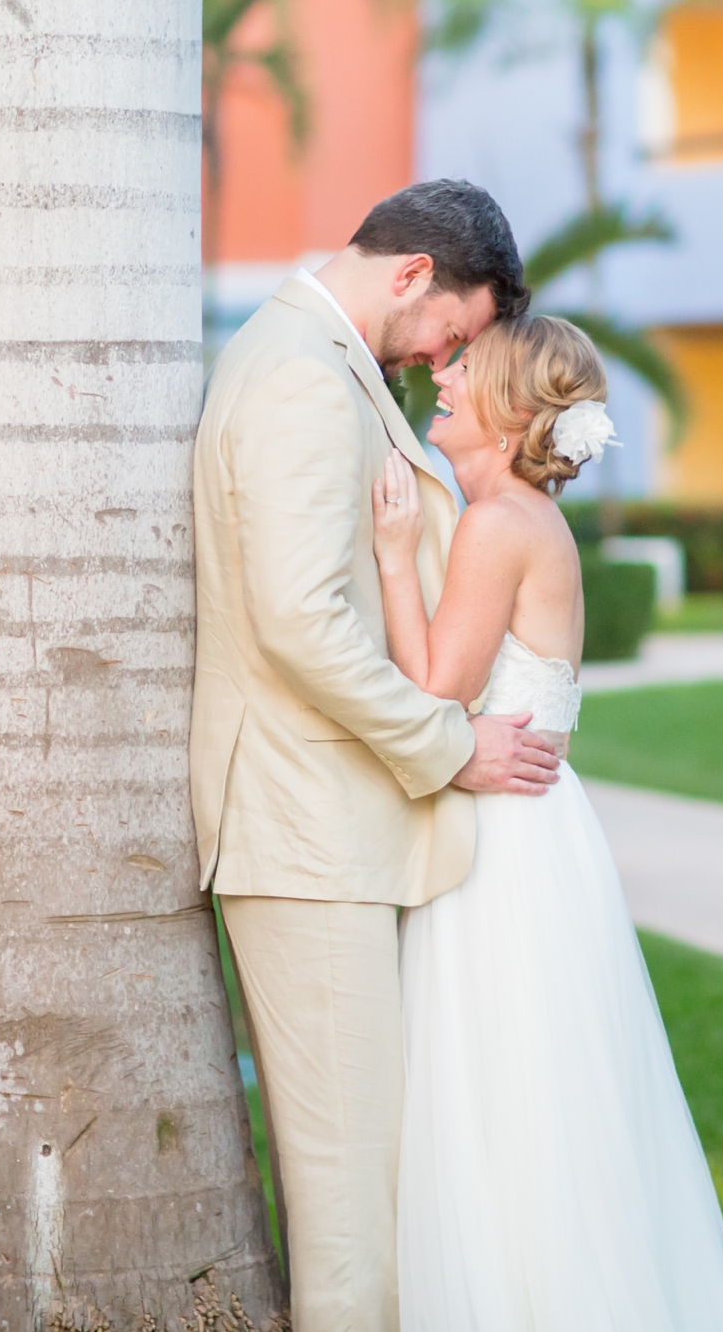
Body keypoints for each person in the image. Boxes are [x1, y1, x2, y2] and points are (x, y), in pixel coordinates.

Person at [190, 179, 563, 1332]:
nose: (442, 360)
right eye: (449, 334)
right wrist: (446, 745)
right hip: (304, 833)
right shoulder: (303, 376)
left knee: (368, 1180)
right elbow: (302, 621)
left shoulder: (312, 355)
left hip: (328, 826)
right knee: (352, 1204)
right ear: (411, 277)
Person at [371, 315, 723, 1330]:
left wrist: (390, 554)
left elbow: (431, 687)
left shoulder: (498, 524)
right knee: (535, 1091)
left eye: (467, 371)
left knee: (504, 1089)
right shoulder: (515, 518)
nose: (444, 379)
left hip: (504, 847)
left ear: (508, 416)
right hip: (538, 833)